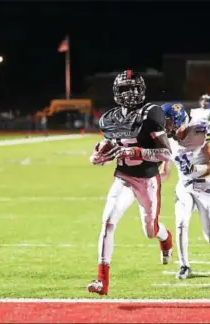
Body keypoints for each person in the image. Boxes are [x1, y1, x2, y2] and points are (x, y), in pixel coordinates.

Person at [87, 70, 173, 296]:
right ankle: (101, 281)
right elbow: (109, 143)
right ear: (117, 92)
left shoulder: (151, 113)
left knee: (150, 231)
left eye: (135, 88)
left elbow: (166, 153)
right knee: (107, 222)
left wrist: (136, 151)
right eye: (126, 89)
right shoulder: (110, 118)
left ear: (142, 90)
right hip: (123, 177)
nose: (131, 94)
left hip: (147, 179)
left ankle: (165, 238)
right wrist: (98, 155)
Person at [159, 102, 210, 280]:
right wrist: (148, 184)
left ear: (177, 120)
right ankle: (184, 265)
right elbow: (165, 171)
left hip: (204, 187)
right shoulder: (167, 140)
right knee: (181, 223)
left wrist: (197, 169)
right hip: (184, 187)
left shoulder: (200, 133)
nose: (165, 126)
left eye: (167, 122)